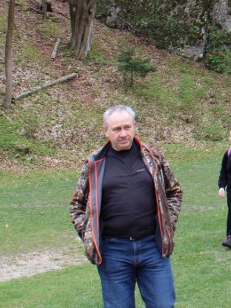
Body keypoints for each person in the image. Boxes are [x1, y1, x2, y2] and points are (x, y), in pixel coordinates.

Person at [70, 105, 183, 308]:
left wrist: (168, 223)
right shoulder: (95, 163)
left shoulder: (153, 157)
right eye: (116, 129)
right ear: (106, 131)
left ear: (134, 127)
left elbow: (174, 191)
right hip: (113, 251)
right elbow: (76, 205)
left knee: (164, 305)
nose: (123, 134)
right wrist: (89, 233)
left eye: (127, 127)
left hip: (153, 248)